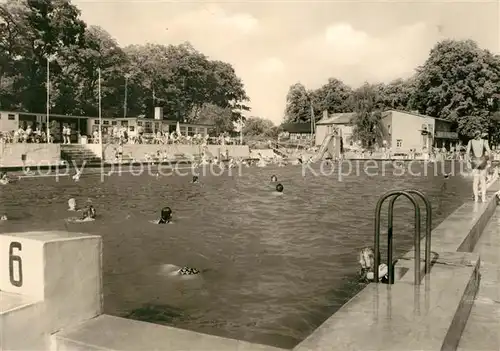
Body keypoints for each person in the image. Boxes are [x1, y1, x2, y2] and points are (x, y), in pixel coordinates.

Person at [466, 130, 492, 202]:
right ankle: (483, 198)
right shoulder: (484, 141)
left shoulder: (470, 142)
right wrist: (489, 160)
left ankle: (476, 198)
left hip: (474, 161)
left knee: (475, 180)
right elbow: (489, 151)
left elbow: (467, 153)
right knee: (483, 180)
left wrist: (468, 161)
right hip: (483, 161)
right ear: (481, 135)